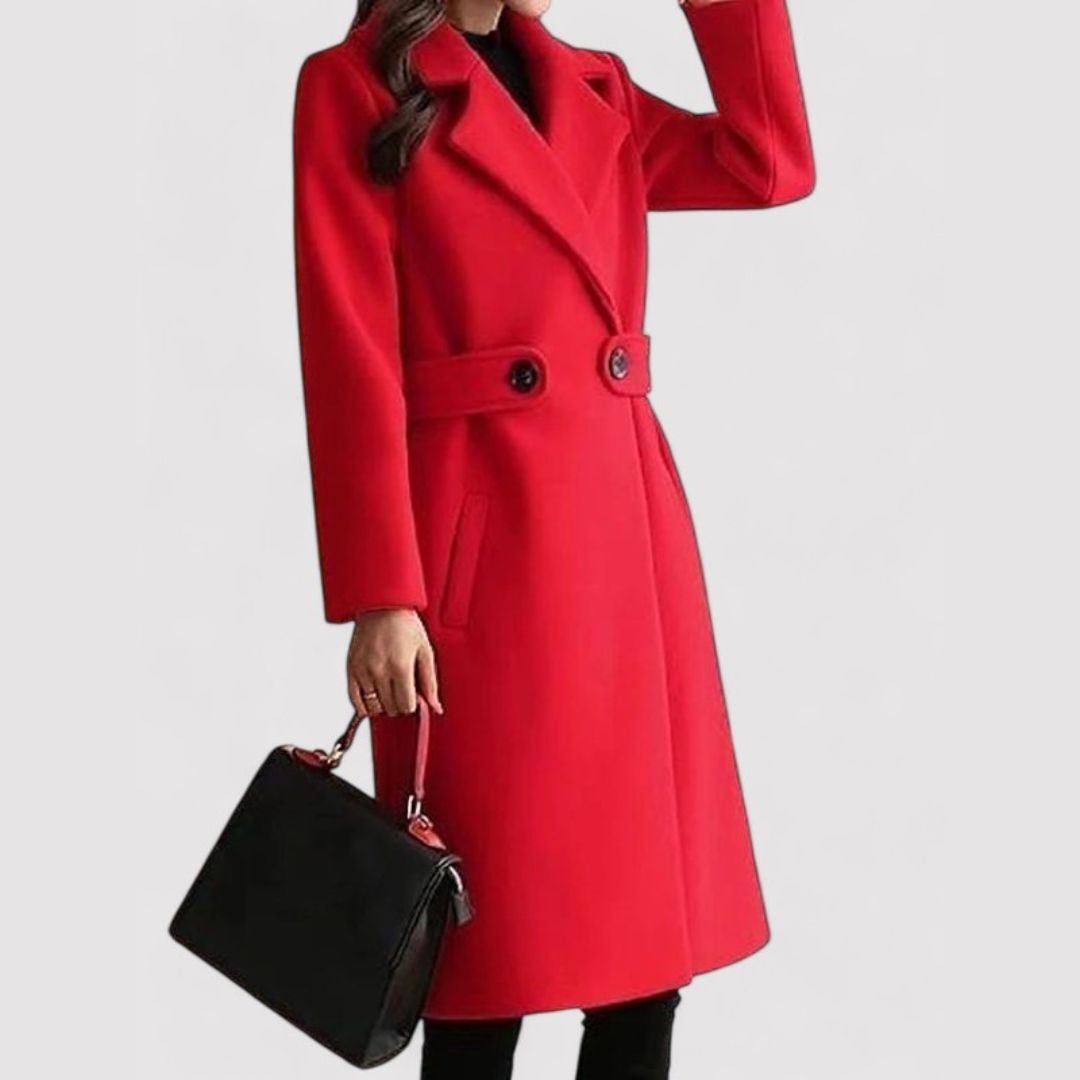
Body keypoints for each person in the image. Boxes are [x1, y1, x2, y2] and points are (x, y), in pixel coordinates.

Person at [292, 0, 814, 1076]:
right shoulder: (355, 87)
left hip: (627, 547)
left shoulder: (595, 86)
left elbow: (767, 163)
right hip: (475, 564)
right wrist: (380, 593)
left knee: (643, 964)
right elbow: (348, 352)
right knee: (482, 956)